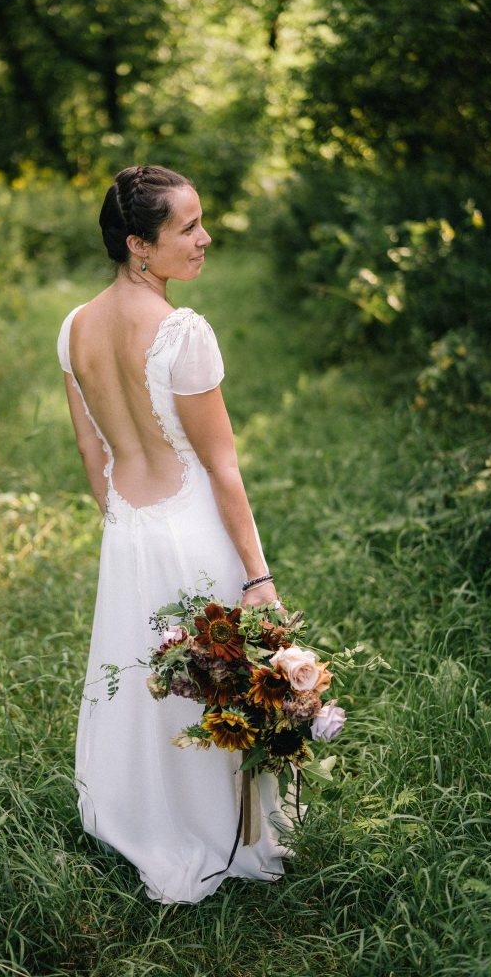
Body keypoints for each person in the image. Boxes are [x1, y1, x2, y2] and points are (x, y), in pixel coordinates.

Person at [56, 164, 297, 904]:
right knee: (213, 686)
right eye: (186, 228)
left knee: (151, 681)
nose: (204, 238)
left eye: (200, 222)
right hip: (193, 530)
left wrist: (123, 525)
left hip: (127, 530)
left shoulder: (75, 327)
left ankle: (142, 813)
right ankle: (217, 830)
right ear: (138, 245)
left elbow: (93, 454)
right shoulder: (181, 334)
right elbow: (223, 471)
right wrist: (256, 576)